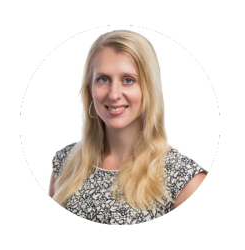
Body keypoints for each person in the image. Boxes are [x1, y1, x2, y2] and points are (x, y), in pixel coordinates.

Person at [49, 30, 207, 225]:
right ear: (90, 89)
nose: (114, 94)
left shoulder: (185, 180)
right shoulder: (66, 163)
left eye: (128, 80)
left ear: (148, 89)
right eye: (103, 79)